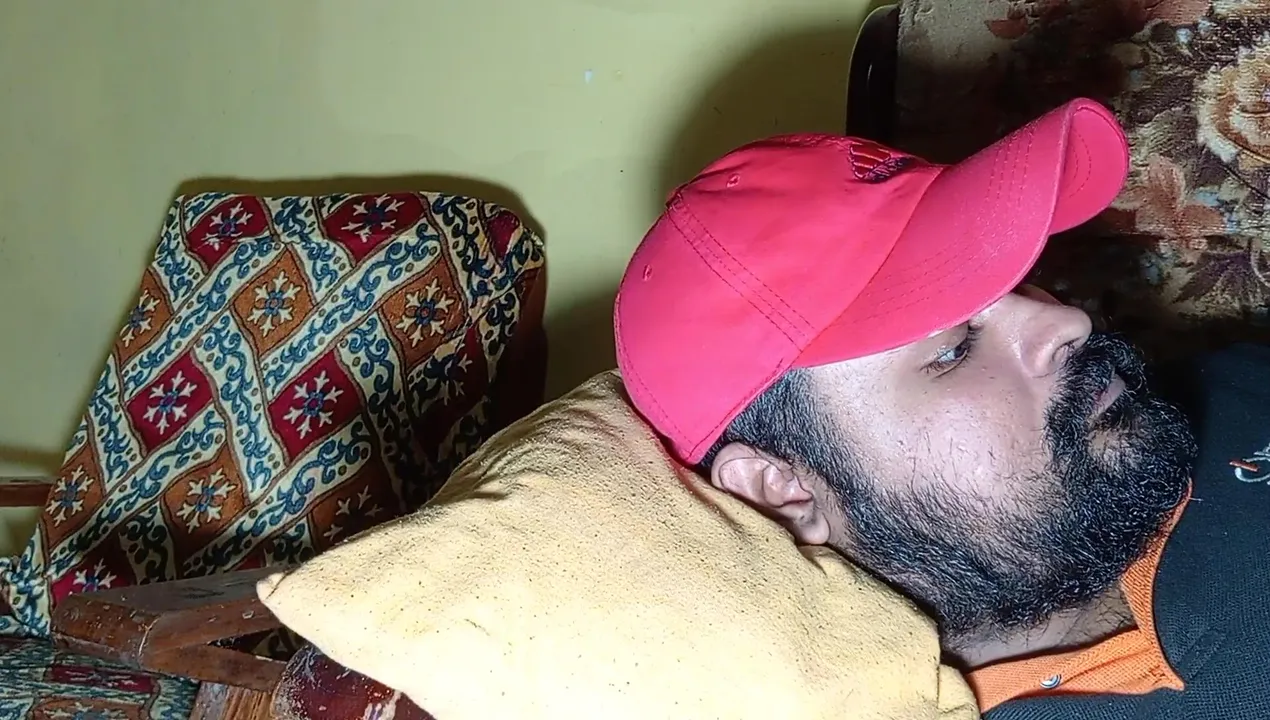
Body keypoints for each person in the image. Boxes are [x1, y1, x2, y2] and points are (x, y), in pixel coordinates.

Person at [613, 97, 1270, 719]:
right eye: (955, 350)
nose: (1065, 321)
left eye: (1015, 278)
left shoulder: (1222, 386)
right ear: (785, 491)